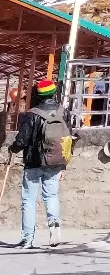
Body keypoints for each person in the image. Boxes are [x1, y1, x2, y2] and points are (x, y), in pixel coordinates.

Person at [7, 75, 72, 249]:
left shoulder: (32, 114)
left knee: (28, 199)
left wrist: (12, 149)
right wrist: (64, 162)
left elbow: (22, 140)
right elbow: (68, 138)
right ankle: (54, 227)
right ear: (53, 93)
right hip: (55, 162)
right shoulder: (63, 112)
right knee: (51, 195)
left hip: (34, 162)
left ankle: (27, 238)